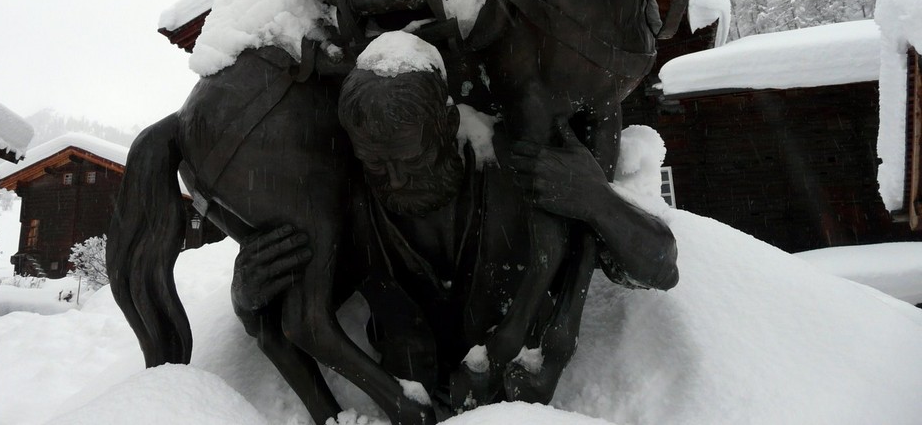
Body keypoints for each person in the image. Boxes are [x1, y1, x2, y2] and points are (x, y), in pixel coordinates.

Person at [231, 32, 678, 410]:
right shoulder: (356, 217)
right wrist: (249, 299)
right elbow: (302, 315)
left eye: (410, 159)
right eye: (375, 164)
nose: (395, 180)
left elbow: (660, 266)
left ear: (446, 123)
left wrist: (596, 200)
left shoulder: (521, 174)